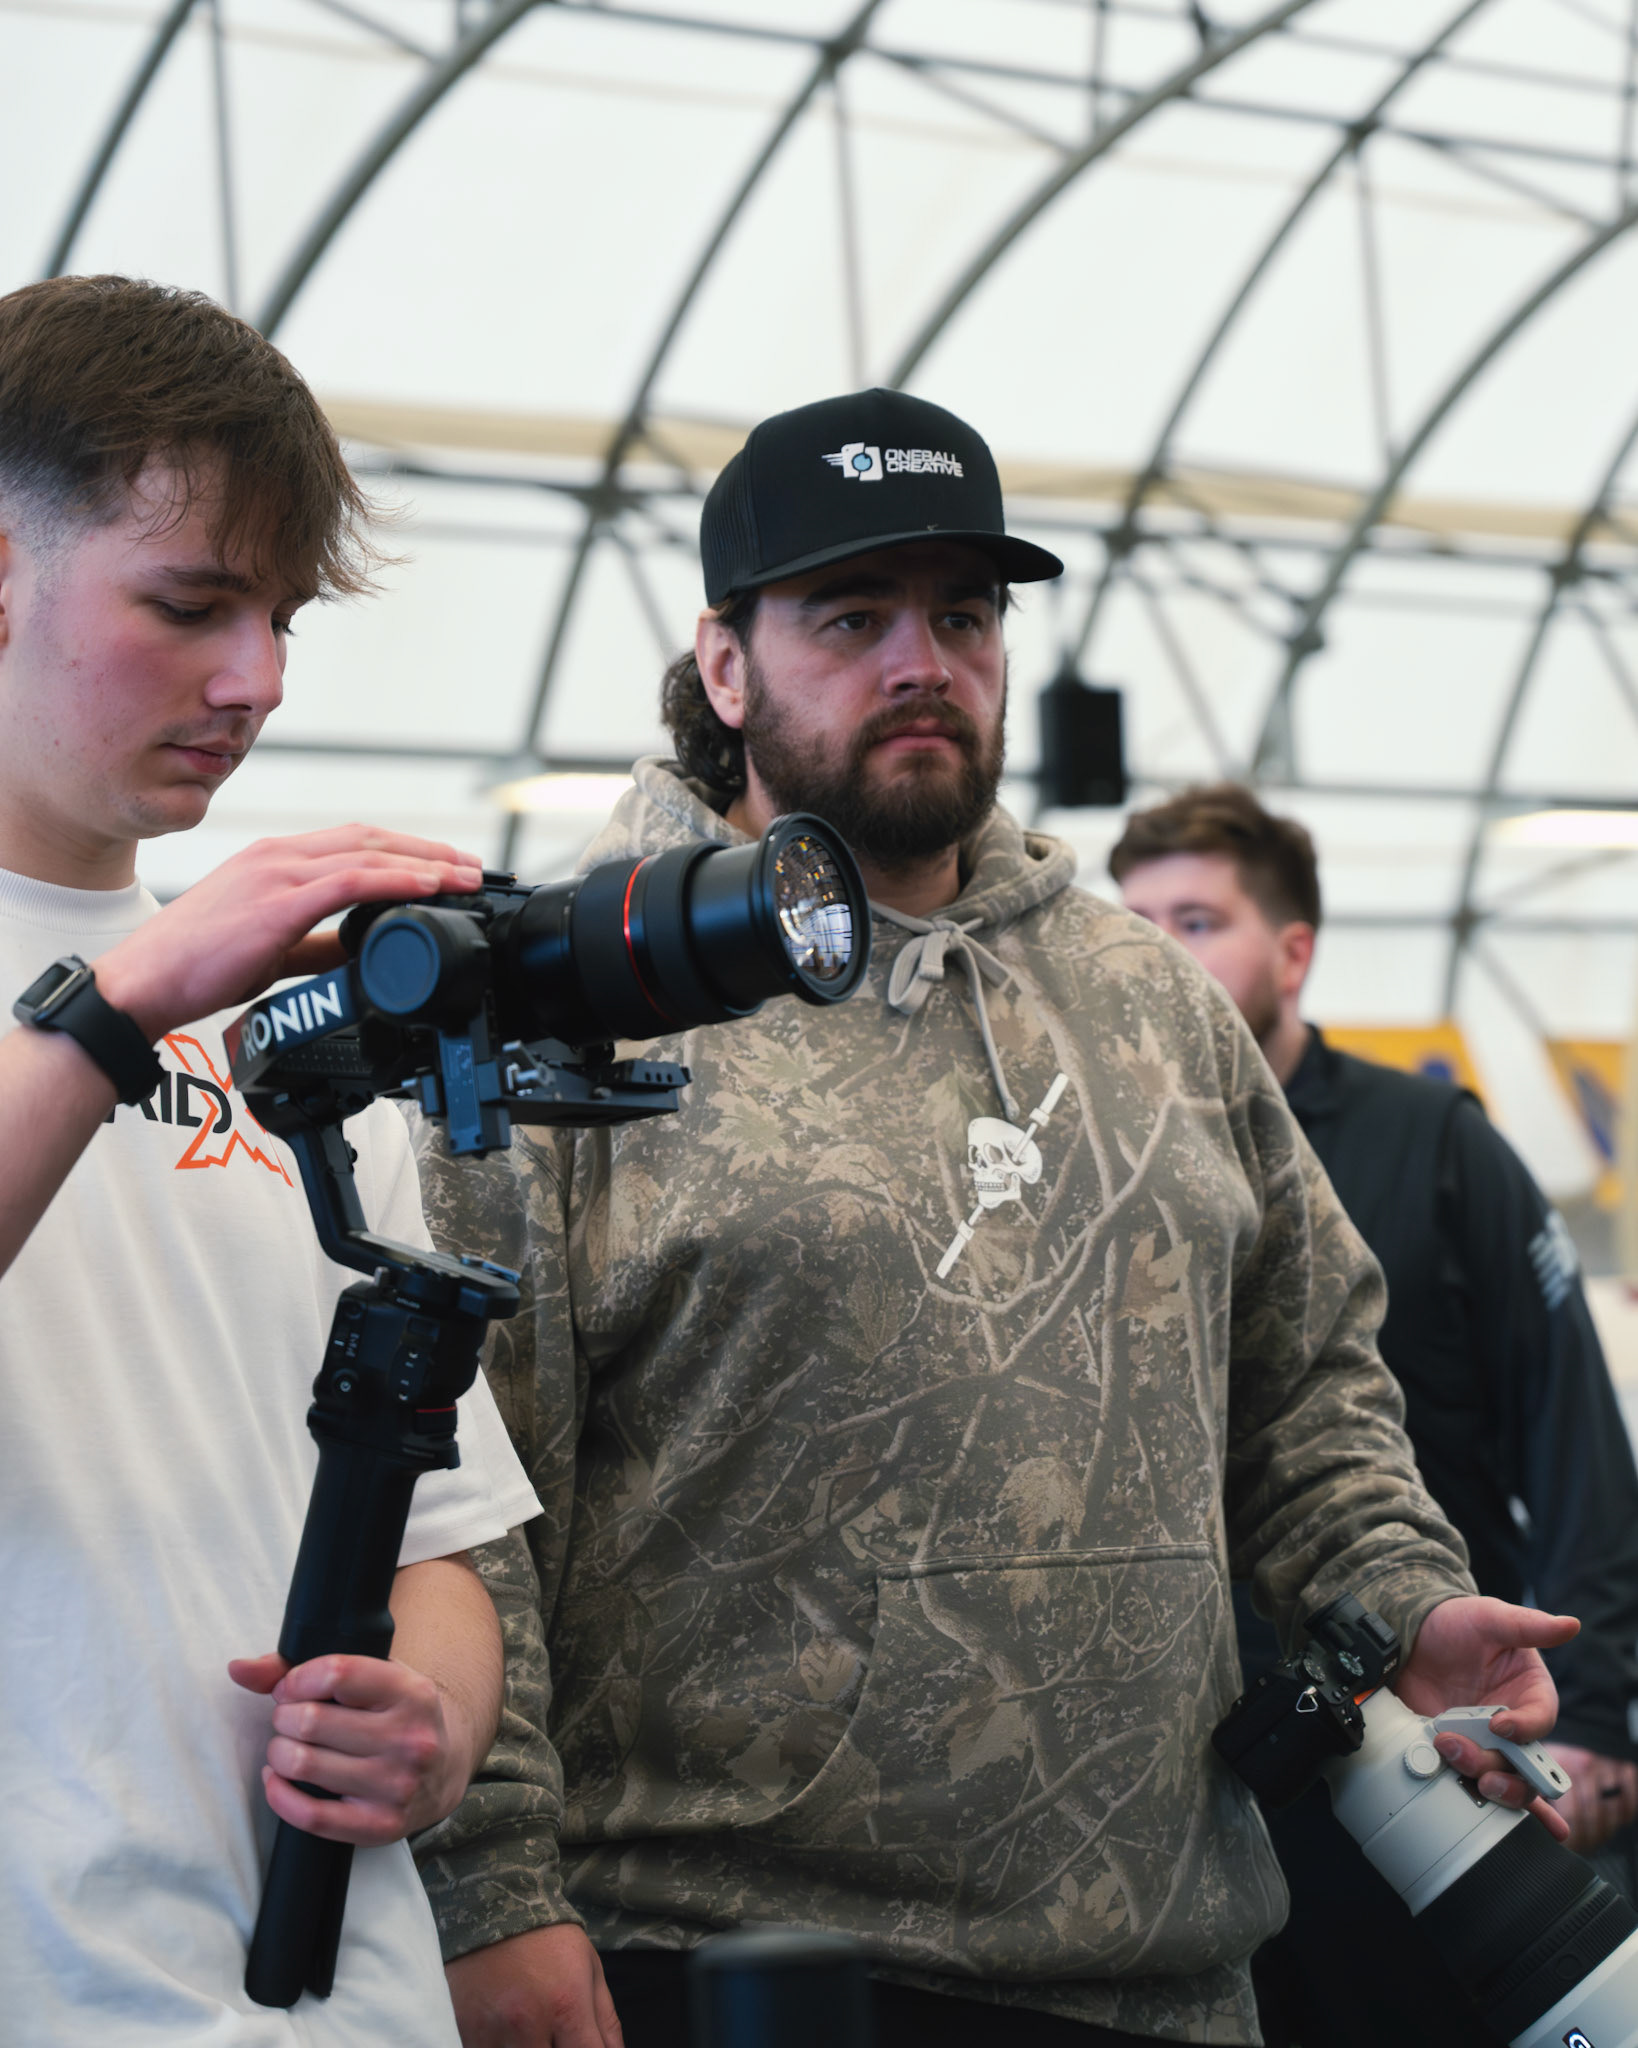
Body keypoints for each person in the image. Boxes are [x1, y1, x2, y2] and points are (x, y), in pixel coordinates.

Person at [410, 387, 1576, 2048]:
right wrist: (489, 1891)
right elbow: (462, 1494)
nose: (921, 662)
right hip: (730, 1960)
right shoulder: (571, 1003)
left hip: (1166, 1972)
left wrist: (1400, 1597)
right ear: (724, 665)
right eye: (851, 618)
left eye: (961, 616)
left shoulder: (1148, 1004)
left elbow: (1307, 1387)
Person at [0, 273, 541, 2047]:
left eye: (283, 618)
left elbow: (436, 1530)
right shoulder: (166, 989)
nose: (259, 682)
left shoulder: (276, 1024)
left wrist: (429, 1727)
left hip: (342, 1997)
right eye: (189, 604)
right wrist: (121, 1003)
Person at [1112, 780, 1638, 2046]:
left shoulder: (1435, 1144)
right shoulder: (1113, 1170)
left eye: (1198, 921)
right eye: (1137, 926)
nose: (1160, 957)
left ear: (1293, 950)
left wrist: (1597, 1711)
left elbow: (1572, 1436)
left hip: (1424, 1744)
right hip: (1196, 1770)